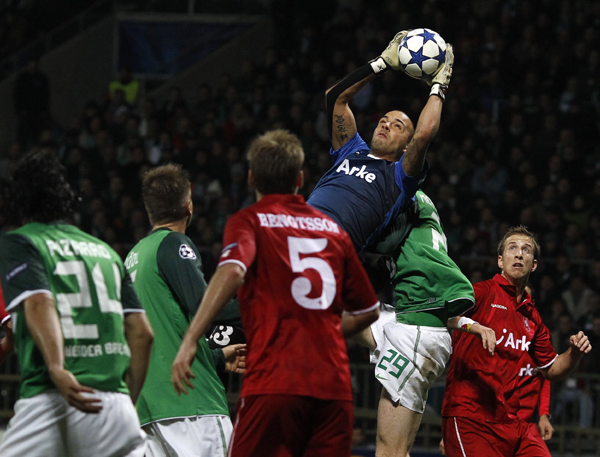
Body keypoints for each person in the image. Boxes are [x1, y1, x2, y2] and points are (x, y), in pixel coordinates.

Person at [172, 129, 381, 456]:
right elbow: (368, 310)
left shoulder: (249, 221)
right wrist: (323, 337)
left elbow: (231, 271)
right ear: (300, 177)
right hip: (333, 387)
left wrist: (189, 340)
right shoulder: (333, 232)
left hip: (276, 380)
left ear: (252, 177)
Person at [0, 150, 153, 456]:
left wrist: (56, 367)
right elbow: (142, 333)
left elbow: (40, 303)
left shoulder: (21, 241)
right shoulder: (106, 251)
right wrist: (127, 401)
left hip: (53, 397)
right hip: (116, 409)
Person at [354, 189, 496, 457]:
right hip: (412, 323)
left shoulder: (401, 195)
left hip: (414, 334)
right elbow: (438, 306)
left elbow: (373, 241)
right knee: (340, 312)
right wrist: (471, 325)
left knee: (389, 453)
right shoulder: (418, 240)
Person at [125, 163, 246, 456]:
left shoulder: (132, 257)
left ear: (149, 209)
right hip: (192, 405)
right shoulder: (174, 244)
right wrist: (265, 306)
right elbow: (206, 306)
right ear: (188, 205)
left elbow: (163, 329)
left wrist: (215, 358)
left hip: (146, 410)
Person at [442, 226, 592, 457]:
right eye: (512, 248)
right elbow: (438, 314)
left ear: (534, 265)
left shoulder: (533, 317)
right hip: (470, 418)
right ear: (500, 261)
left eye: (526, 249)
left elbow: (551, 369)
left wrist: (574, 353)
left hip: (513, 423)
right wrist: (474, 326)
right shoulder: (481, 292)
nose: (519, 253)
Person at [307, 30, 453, 252]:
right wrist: (381, 64)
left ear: (407, 145)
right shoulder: (351, 151)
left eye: (397, 126)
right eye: (384, 121)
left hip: (331, 249)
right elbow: (334, 98)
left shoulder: (400, 177)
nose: (385, 125)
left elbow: (424, 134)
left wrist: (439, 86)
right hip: (296, 225)